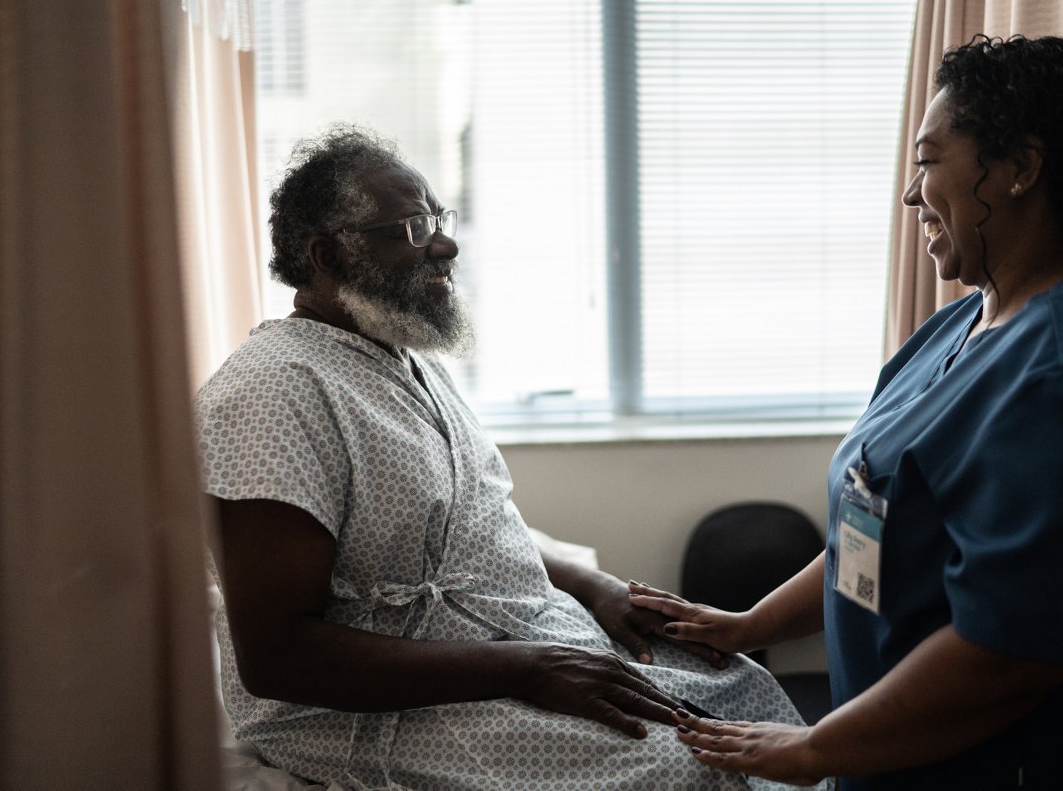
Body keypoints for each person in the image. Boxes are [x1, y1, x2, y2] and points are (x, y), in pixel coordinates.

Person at [630, 35, 1063, 790]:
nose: (910, 193)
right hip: (892, 754)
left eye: (930, 161)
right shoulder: (964, 325)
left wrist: (816, 748)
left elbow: (1009, 655)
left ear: (1022, 169)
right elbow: (879, 522)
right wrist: (751, 625)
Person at [196, 126, 807, 790]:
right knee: (682, 766)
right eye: (410, 227)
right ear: (329, 257)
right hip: (379, 704)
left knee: (742, 692)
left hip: (516, 641)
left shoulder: (401, 362)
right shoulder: (269, 396)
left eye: (437, 218)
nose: (445, 244)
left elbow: (461, 536)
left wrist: (590, 586)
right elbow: (279, 657)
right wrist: (527, 668)